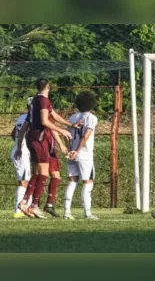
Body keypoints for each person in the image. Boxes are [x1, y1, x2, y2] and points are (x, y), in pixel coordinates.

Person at [17, 78, 78, 219]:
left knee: (38, 172)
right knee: (43, 173)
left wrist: (70, 124)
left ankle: (25, 202)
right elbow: (46, 121)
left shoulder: (34, 101)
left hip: (32, 138)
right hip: (40, 138)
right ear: (48, 87)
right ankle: (33, 205)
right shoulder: (44, 101)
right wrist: (63, 131)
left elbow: (53, 116)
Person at [63, 91, 98, 220]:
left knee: (72, 182)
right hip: (84, 154)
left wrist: (69, 150)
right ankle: (87, 213)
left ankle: (67, 212)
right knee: (87, 182)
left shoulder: (72, 118)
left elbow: (66, 134)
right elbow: (86, 135)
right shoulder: (92, 118)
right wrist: (77, 150)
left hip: (72, 153)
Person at [10, 97, 33, 218]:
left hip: (17, 150)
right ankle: (18, 210)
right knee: (24, 182)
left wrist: (18, 144)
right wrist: (21, 146)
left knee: (24, 181)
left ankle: (26, 208)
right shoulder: (31, 118)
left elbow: (13, 134)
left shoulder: (20, 117)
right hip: (22, 152)